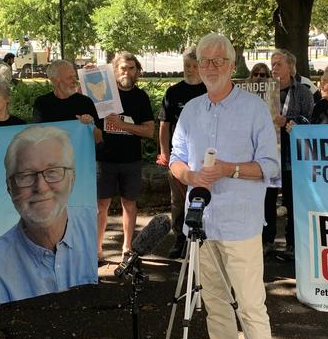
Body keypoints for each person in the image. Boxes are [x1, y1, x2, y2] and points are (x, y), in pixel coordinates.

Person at [170, 33, 280, 339]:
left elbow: (270, 166)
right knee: (215, 303)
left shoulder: (254, 109)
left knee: (250, 306)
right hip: (201, 224)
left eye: (219, 61)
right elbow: (175, 159)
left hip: (240, 224)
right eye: (205, 61)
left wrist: (230, 169)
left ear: (233, 65)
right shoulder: (190, 110)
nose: (211, 67)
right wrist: (189, 175)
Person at [0, 125, 97, 309]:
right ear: (9, 188)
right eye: (26, 175)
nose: (41, 187)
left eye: (53, 171)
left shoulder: (94, 227)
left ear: (73, 178)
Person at [32, 60, 103, 257]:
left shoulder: (85, 103)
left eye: (74, 76)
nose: (75, 80)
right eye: (70, 77)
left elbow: (99, 138)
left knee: (82, 213)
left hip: (81, 172)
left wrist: (90, 127)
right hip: (51, 173)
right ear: (55, 80)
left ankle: (84, 256)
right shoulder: (42, 104)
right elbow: (37, 136)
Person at [97, 52, 154, 259]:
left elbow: (149, 131)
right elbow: (82, 105)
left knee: (129, 204)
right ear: (115, 70)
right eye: (123, 68)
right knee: (101, 205)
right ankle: (98, 248)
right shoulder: (103, 94)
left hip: (130, 160)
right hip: (104, 159)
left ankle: (127, 248)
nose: (127, 72)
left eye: (131, 68)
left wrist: (123, 125)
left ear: (137, 71)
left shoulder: (140, 97)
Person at [157, 46, 206, 259]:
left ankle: (203, 238)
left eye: (195, 66)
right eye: (187, 65)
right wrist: (164, 152)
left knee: (203, 198)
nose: (190, 69)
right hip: (180, 156)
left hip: (206, 156)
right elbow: (164, 125)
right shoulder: (173, 92)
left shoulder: (209, 90)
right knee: (178, 200)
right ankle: (180, 237)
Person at [271, 48, 314, 259]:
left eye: (279, 64)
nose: (274, 68)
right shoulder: (264, 91)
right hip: (267, 152)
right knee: (267, 199)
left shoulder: (303, 92)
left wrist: (288, 121)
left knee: (291, 200)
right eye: (272, 64)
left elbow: (310, 121)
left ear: (290, 67)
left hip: (291, 155)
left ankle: (292, 244)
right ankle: (266, 241)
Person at [247, 63, 279, 256]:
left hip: (270, 154)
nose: (259, 77)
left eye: (264, 74)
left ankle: (268, 239)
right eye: (256, 74)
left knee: (269, 200)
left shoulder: (276, 96)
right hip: (248, 157)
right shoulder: (241, 98)